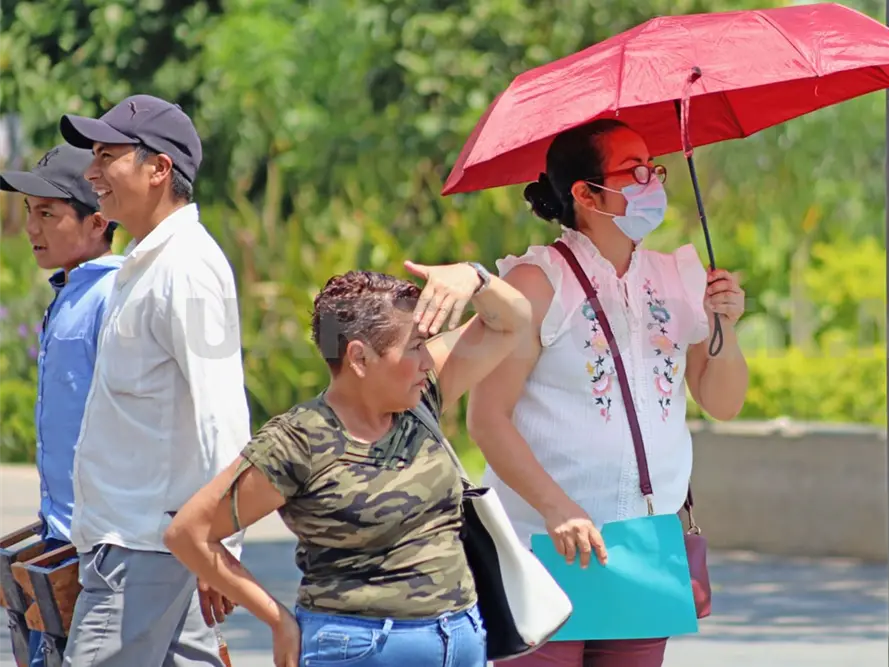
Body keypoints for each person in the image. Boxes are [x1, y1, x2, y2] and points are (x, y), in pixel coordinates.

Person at [466, 119, 750, 666]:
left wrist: (725, 326)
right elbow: (487, 418)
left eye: (656, 169)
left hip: (646, 546)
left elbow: (723, 401)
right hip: (544, 547)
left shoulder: (679, 279)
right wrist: (557, 509)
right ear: (585, 193)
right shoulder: (536, 282)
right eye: (636, 170)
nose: (653, 182)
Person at [163, 265, 532, 667]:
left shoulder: (421, 399)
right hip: (359, 650)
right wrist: (277, 620)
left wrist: (476, 278)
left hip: (459, 640)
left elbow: (513, 322)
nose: (428, 360)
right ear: (359, 357)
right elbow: (189, 534)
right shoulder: (299, 441)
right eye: (414, 347)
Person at [57, 94, 249, 666]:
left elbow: (222, 413)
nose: (92, 173)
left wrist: (221, 543)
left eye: (107, 155)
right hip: (145, 546)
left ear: (159, 168)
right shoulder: (148, 261)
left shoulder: (186, 266)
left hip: (144, 549)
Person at [0, 144, 121, 667]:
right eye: (29, 211)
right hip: (59, 535)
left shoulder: (114, 296)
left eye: (47, 213)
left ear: (98, 222)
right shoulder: (69, 293)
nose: (32, 229)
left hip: (100, 546)